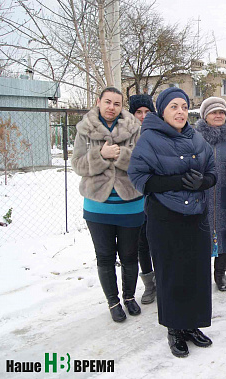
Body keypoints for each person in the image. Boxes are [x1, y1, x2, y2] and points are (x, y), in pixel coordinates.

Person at [128, 87, 216, 358]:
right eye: (173, 107)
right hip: (165, 217)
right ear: (162, 111)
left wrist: (204, 181)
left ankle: (192, 325)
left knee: (197, 273)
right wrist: (177, 182)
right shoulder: (149, 139)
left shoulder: (197, 137)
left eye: (183, 106)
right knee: (171, 274)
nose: (180, 112)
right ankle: (175, 329)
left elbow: (213, 171)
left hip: (197, 216)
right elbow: (139, 178)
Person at [71, 87, 144, 323]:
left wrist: (119, 154)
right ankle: (113, 302)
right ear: (99, 102)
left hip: (130, 205)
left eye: (117, 103)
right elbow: (78, 165)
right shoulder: (84, 129)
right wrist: (100, 154)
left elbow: (143, 162)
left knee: (130, 256)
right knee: (104, 257)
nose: (112, 107)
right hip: (98, 207)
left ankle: (130, 297)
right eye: (107, 102)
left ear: (122, 105)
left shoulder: (134, 128)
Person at [195, 97, 226, 291]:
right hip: (201, 193)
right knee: (201, 235)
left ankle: (220, 273)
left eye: (222, 112)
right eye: (214, 112)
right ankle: (201, 274)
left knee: (225, 234)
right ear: (205, 115)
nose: (218, 115)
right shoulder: (193, 136)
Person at [128, 94, 157, 305]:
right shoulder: (126, 135)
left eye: (147, 112)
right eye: (139, 112)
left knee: (160, 241)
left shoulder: (160, 133)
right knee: (141, 244)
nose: (143, 116)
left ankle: (163, 280)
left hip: (157, 196)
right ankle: (149, 284)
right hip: (134, 197)